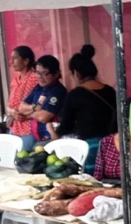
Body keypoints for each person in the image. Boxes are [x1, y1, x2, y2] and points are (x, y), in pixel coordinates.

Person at [49, 45, 117, 175]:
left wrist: (52, 130)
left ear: (76, 73)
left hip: (90, 146)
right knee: (110, 178)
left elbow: (66, 126)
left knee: (92, 180)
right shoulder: (110, 91)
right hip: (113, 145)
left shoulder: (75, 95)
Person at [17, 55, 67, 149]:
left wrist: (28, 115)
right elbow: (21, 107)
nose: (40, 77)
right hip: (38, 137)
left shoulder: (58, 91)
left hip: (52, 139)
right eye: (37, 73)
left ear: (56, 74)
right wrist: (35, 108)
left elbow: (44, 117)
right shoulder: (38, 87)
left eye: (44, 73)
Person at [5, 46, 38, 151]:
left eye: (15, 58)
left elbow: (41, 105)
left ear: (26, 61)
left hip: (29, 126)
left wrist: (27, 116)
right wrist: (12, 112)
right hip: (14, 126)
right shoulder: (15, 80)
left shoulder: (35, 78)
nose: (11, 62)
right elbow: (9, 105)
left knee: (25, 158)